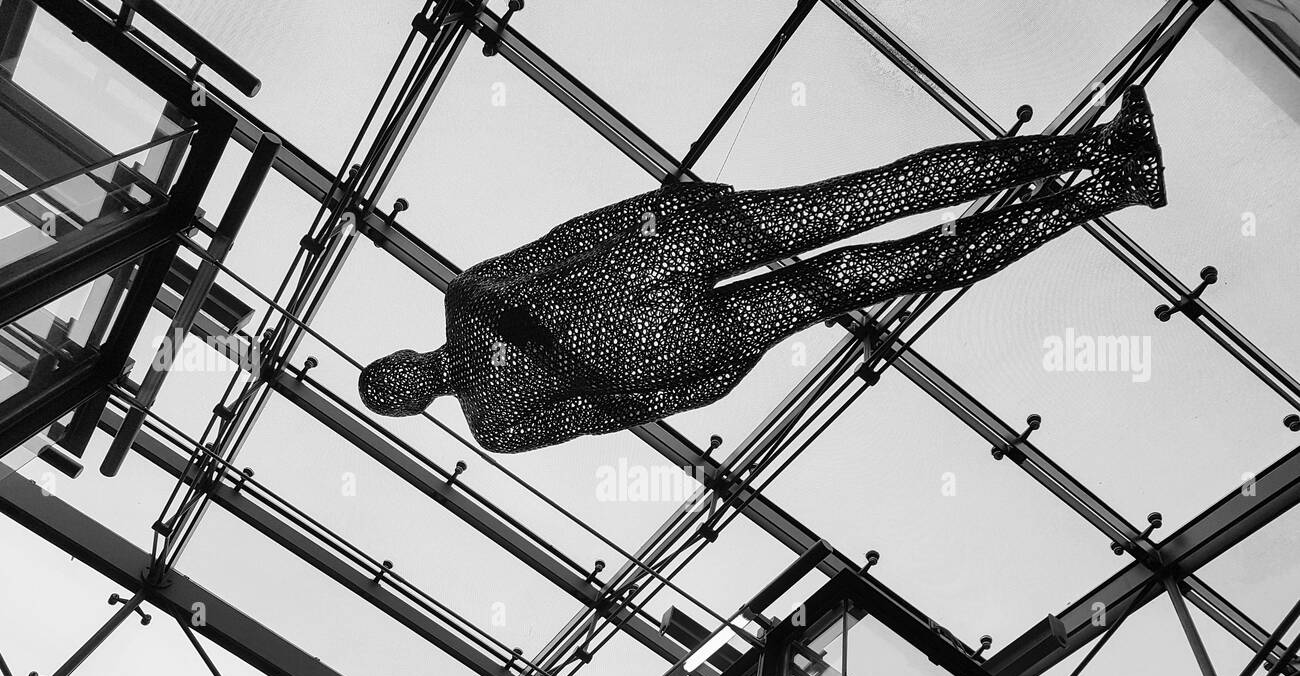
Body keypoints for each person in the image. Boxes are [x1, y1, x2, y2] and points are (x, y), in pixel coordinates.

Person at [359, 86, 1163, 454]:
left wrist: (714, 369)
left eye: (390, 381)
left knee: (880, 244)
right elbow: (600, 389)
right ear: (404, 381)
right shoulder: (473, 333)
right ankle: (1103, 162)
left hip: (678, 301)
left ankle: (1111, 176)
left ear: (406, 380)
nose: (402, 381)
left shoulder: (483, 364)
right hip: (673, 279)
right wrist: (664, 214)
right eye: (393, 387)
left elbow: (575, 268)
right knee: (875, 216)